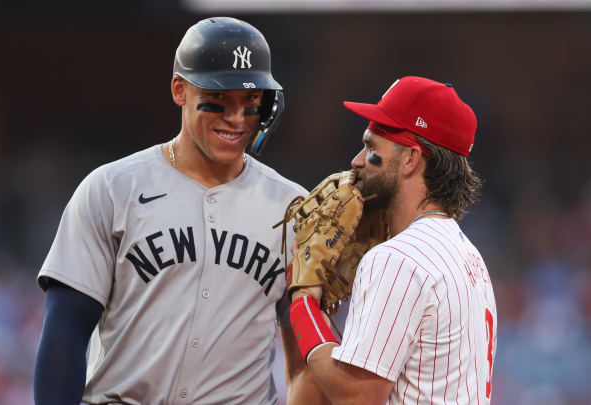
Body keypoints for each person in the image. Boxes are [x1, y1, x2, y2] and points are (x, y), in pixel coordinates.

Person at [33, 17, 321, 405]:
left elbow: (304, 362)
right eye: (220, 100)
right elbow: (65, 331)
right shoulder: (113, 189)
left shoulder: (295, 210)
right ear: (179, 90)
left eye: (250, 103)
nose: (237, 119)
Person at [289, 76, 498, 404]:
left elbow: (356, 397)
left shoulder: (399, 258)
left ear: (411, 159)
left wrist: (304, 303)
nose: (358, 161)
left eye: (372, 148)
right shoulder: (468, 255)